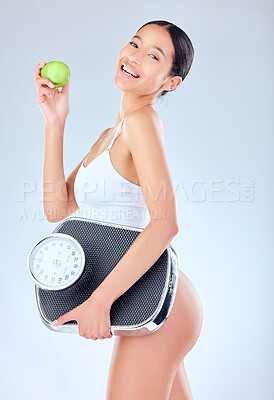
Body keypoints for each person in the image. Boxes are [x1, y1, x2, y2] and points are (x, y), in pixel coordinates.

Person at [34, 19, 203, 400]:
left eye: (153, 55)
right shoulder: (110, 135)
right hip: (148, 299)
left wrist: (99, 301)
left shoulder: (142, 121)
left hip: (158, 303)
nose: (134, 56)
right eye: (135, 43)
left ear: (170, 81)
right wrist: (55, 122)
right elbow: (57, 208)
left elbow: (165, 224)